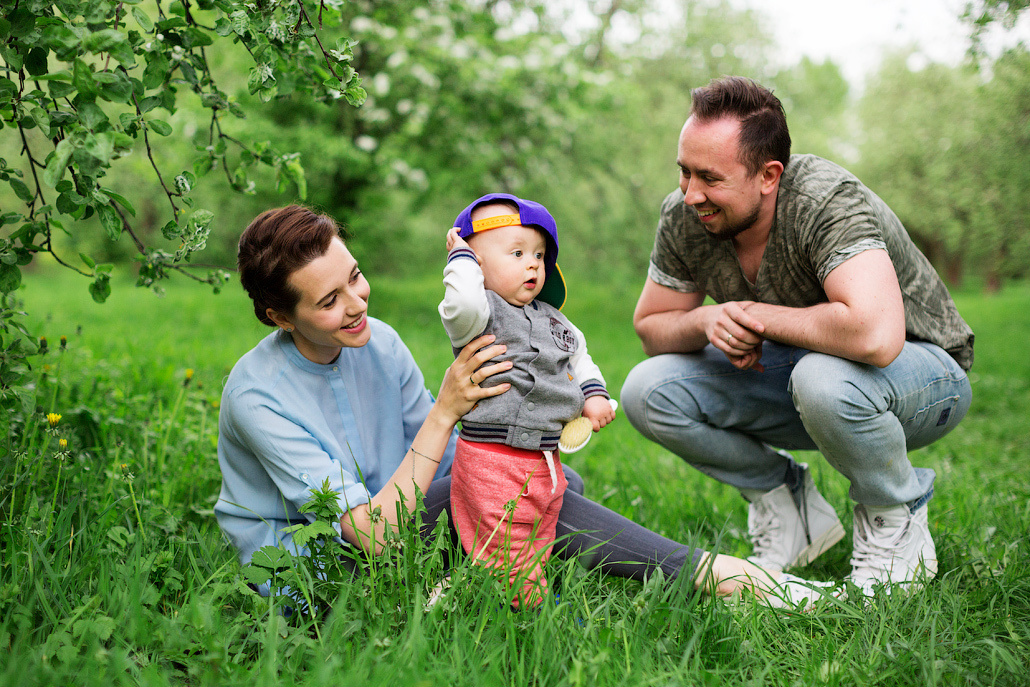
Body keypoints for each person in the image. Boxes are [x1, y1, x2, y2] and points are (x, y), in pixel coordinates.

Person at [214, 203, 833, 611]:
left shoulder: (378, 341)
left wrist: (522, 441)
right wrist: (446, 410)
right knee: (535, 493)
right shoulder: (257, 397)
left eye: (355, 276)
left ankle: (466, 579)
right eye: (329, 300)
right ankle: (718, 576)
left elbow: (463, 462)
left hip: (406, 519)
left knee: (543, 479)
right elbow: (369, 534)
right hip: (323, 569)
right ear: (279, 316)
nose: (357, 303)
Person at [621, 76, 974, 597]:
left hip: (923, 377)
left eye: (709, 178)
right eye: (683, 171)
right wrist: (703, 322)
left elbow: (876, 337)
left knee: (823, 377)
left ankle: (894, 520)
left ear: (768, 175)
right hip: (803, 380)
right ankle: (788, 504)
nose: (691, 193)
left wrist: (754, 314)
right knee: (646, 389)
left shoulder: (825, 200)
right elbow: (652, 328)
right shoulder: (685, 216)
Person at [438, 193, 616, 607]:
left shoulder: (555, 317)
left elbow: (579, 356)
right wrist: (460, 261)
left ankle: (477, 590)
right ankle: (534, 613)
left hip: (545, 459)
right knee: (507, 541)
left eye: (539, 254)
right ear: (477, 264)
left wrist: (593, 394)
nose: (533, 263)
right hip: (493, 456)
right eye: (517, 253)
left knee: (538, 534)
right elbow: (461, 301)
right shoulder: (477, 315)